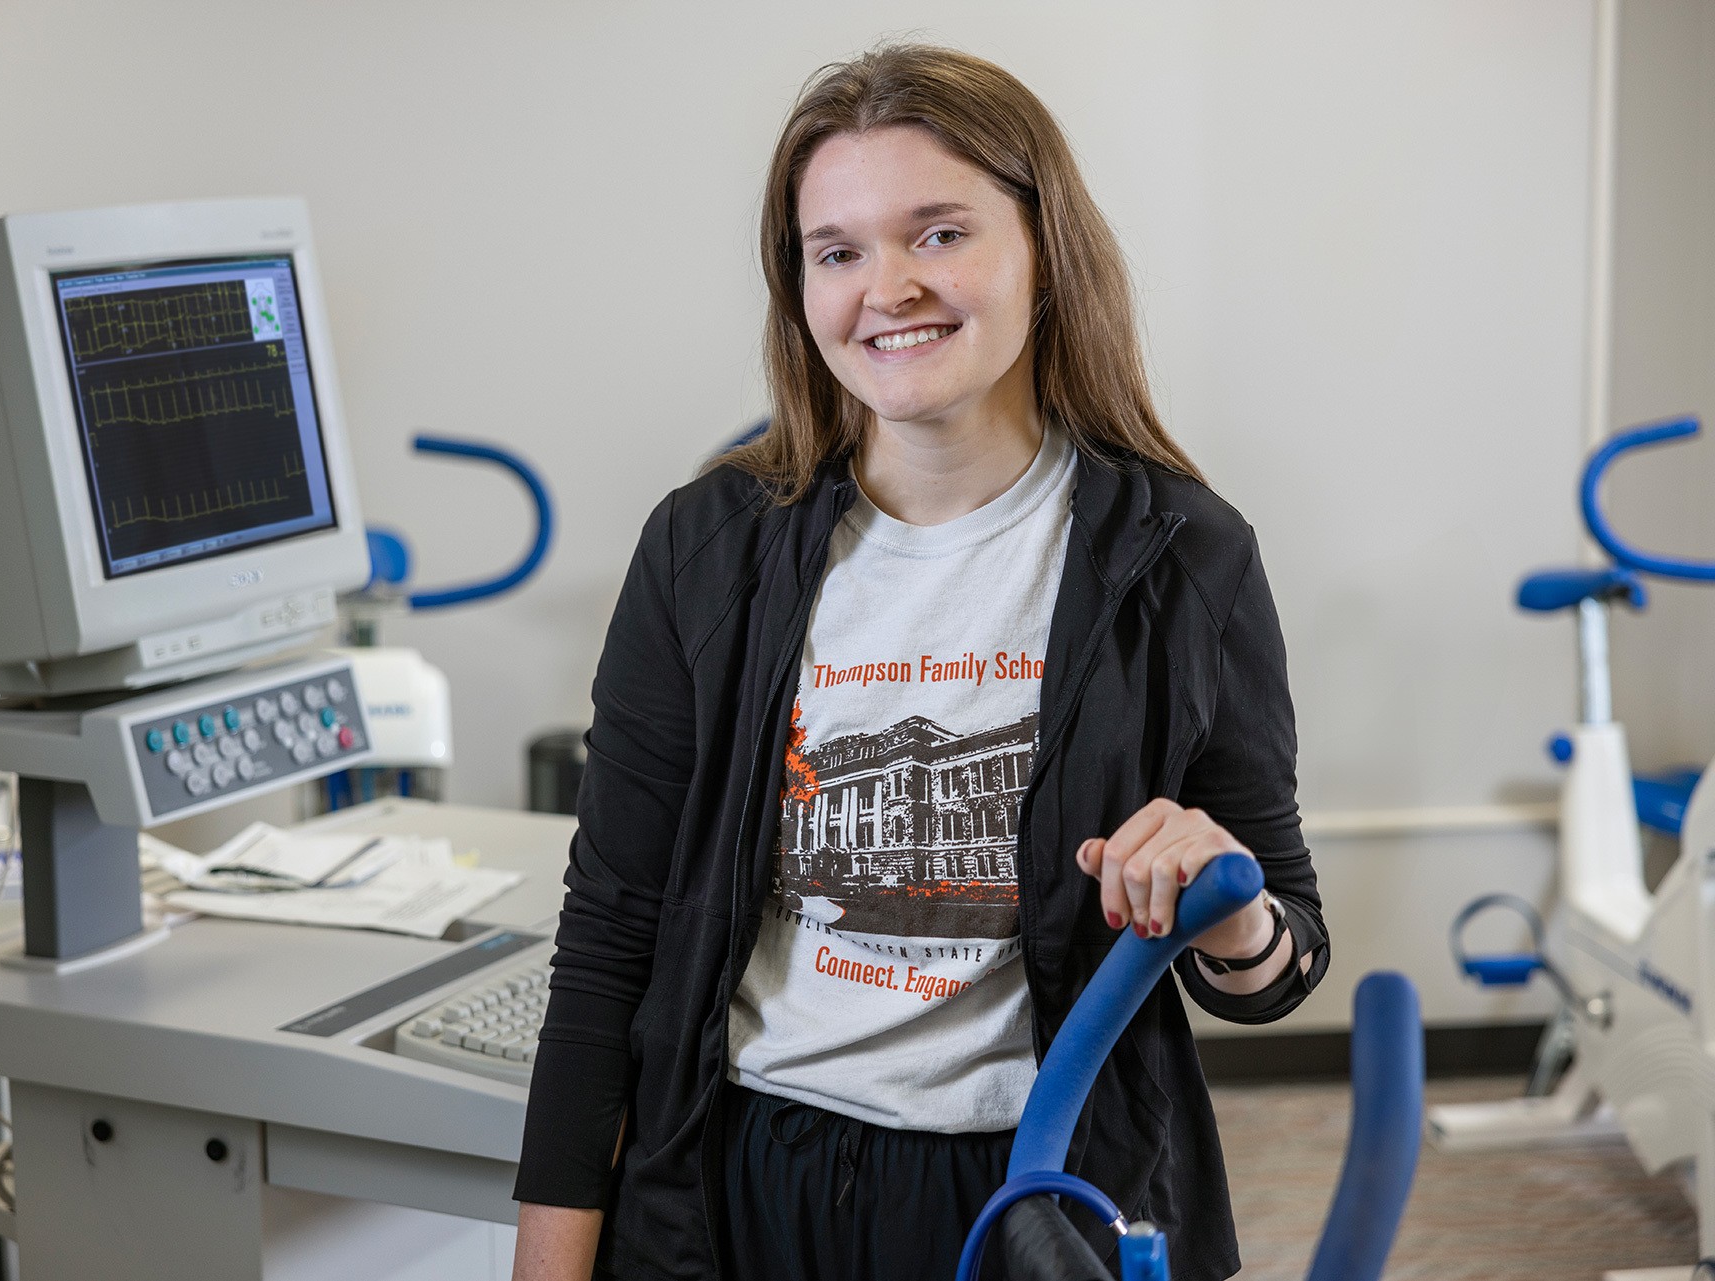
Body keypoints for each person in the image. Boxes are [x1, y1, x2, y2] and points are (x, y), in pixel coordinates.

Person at [512, 43, 1327, 1281]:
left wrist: (1229, 907)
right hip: (745, 1180)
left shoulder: (1183, 557)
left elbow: (1279, 966)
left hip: (1034, 1183)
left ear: (1042, 249)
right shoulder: (705, 549)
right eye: (837, 251)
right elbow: (610, 939)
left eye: (937, 234)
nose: (885, 287)